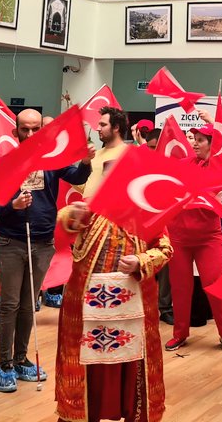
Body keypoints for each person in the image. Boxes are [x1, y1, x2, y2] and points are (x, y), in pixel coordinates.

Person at [55, 107, 172, 422]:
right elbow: (63, 228)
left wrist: (140, 261)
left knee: (131, 361)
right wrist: (71, 216)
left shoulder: (147, 210)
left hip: (132, 303)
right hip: (88, 305)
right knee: (87, 363)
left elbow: (165, 249)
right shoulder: (89, 209)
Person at [0, 108, 94, 393]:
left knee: (28, 304)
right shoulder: (2, 163)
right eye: (25, 129)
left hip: (43, 242)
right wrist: (12, 206)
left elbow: (76, 175)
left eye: (36, 129)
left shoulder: (52, 159)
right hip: (11, 242)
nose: (31, 134)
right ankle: (5, 363)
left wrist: (85, 162)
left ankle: (21, 358)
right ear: (15, 131)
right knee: (9, 305)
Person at [164, 120, 222, 353]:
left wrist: (214, 123)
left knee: (215, 285)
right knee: (180, 287)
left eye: (200, 140)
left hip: (208, 237)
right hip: (179, 236)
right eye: (194, 140)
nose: (195, 144)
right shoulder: (184, 164)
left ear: (211, 144)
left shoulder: (219, 169)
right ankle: (180, 333)